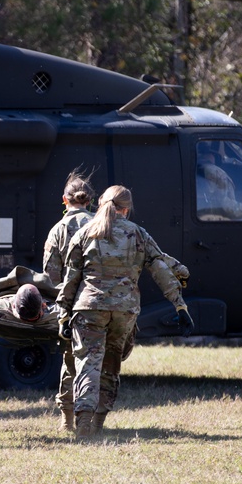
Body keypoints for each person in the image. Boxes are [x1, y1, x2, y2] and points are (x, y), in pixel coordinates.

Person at [57, 185, 194, 439]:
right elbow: (160, 266)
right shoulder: (138, 234)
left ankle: (84, 424)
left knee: (88, 364)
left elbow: (71, 278)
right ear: (127, 209)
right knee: (111, 366)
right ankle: (98, 424)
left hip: (89, 309)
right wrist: (179, 304)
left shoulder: (85, 233)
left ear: (100, 204)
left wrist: (63, 313)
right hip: (124, 311)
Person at [42, 170, 96, 432]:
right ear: (89, 200)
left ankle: (67, 419)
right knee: (97, 362)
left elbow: (50, 276)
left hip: (70, 305)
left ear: (64, 199)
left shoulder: (58, 230)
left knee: (70, 360)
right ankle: (94, 419)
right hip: (100, 302)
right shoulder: (101, 224)